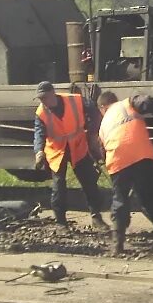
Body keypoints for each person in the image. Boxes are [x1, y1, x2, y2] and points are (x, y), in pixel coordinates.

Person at [96, 90, 153, 255]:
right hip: (142, 157)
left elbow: (102, 150)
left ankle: (117, 246)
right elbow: (147, 101)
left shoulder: (103, 125)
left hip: (117, 161)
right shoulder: (126, 104)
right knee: (150, 199)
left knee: (120, 201)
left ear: (102, 108)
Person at [33, 81, 109, 232]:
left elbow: (94, 112)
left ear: (53, 94)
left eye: (44, 98)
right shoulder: (41, 112)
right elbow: (39, 133)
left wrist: (93, 131)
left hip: (77, 147)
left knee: (89, 182)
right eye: (40, 99)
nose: (43, 101)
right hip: (57, 151)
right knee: (58, 186)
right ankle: (61, 223)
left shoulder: (75, 100)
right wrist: (39, 152)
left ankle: (96, 218)